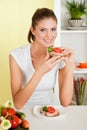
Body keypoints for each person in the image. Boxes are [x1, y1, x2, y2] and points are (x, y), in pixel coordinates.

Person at [9, 8, 74, 110]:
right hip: (25, 112)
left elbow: (65, 102)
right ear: (33, 30)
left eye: (53, 29)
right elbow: (18, 104)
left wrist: (70, 65)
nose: (49, 35)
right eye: (43, 30)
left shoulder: (59, 56)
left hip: (50, 111)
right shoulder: (17, 55)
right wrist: (40, 72)